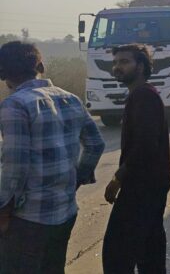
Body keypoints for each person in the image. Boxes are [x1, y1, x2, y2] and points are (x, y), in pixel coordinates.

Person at [0, 41, 105, 273]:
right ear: (40, 66)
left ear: (3, 74)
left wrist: (3, 211)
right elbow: (96, 144)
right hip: (65, 212)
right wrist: (76, 180)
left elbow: (15, 167)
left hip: (28, 219)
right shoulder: (70, 98)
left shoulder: (14, 105)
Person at [103, 43, 170, 273]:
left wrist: (118, 178)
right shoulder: (141, 94)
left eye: (124, 62)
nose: (117, 67)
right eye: (115, 63)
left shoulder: (144, 96)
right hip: (149, 184)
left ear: (140, 66)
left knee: (117, 254)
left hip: (143, 186)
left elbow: (145, 145)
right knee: (149, 251)